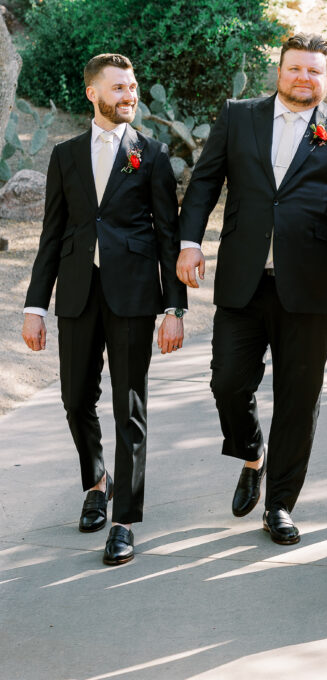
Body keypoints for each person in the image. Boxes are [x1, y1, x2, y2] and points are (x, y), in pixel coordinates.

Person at [176, 33, 327, 545]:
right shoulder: (238, 115)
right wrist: (189, 242)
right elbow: (205, 182)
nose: (303, 78)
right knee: (227, 382)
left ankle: (280, 505)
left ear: (326, 77)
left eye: (314, 71)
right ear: (279, 70)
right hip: (244, 281)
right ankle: (251, 452)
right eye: (295, 68)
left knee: (298, 398)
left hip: (313, 286)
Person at [23, 53, 186, 566]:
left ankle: (124, 521)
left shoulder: (152, 154)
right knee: (75, 399)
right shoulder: (65, 155)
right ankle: (96, 481)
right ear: (92, 93)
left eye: (132, 87)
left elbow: (168, 236)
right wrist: (34, 306)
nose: (129, 95)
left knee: (128, 407)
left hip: (133, 294)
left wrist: (174, 309)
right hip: (77, 292)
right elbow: (51, 235)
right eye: (118, 88)